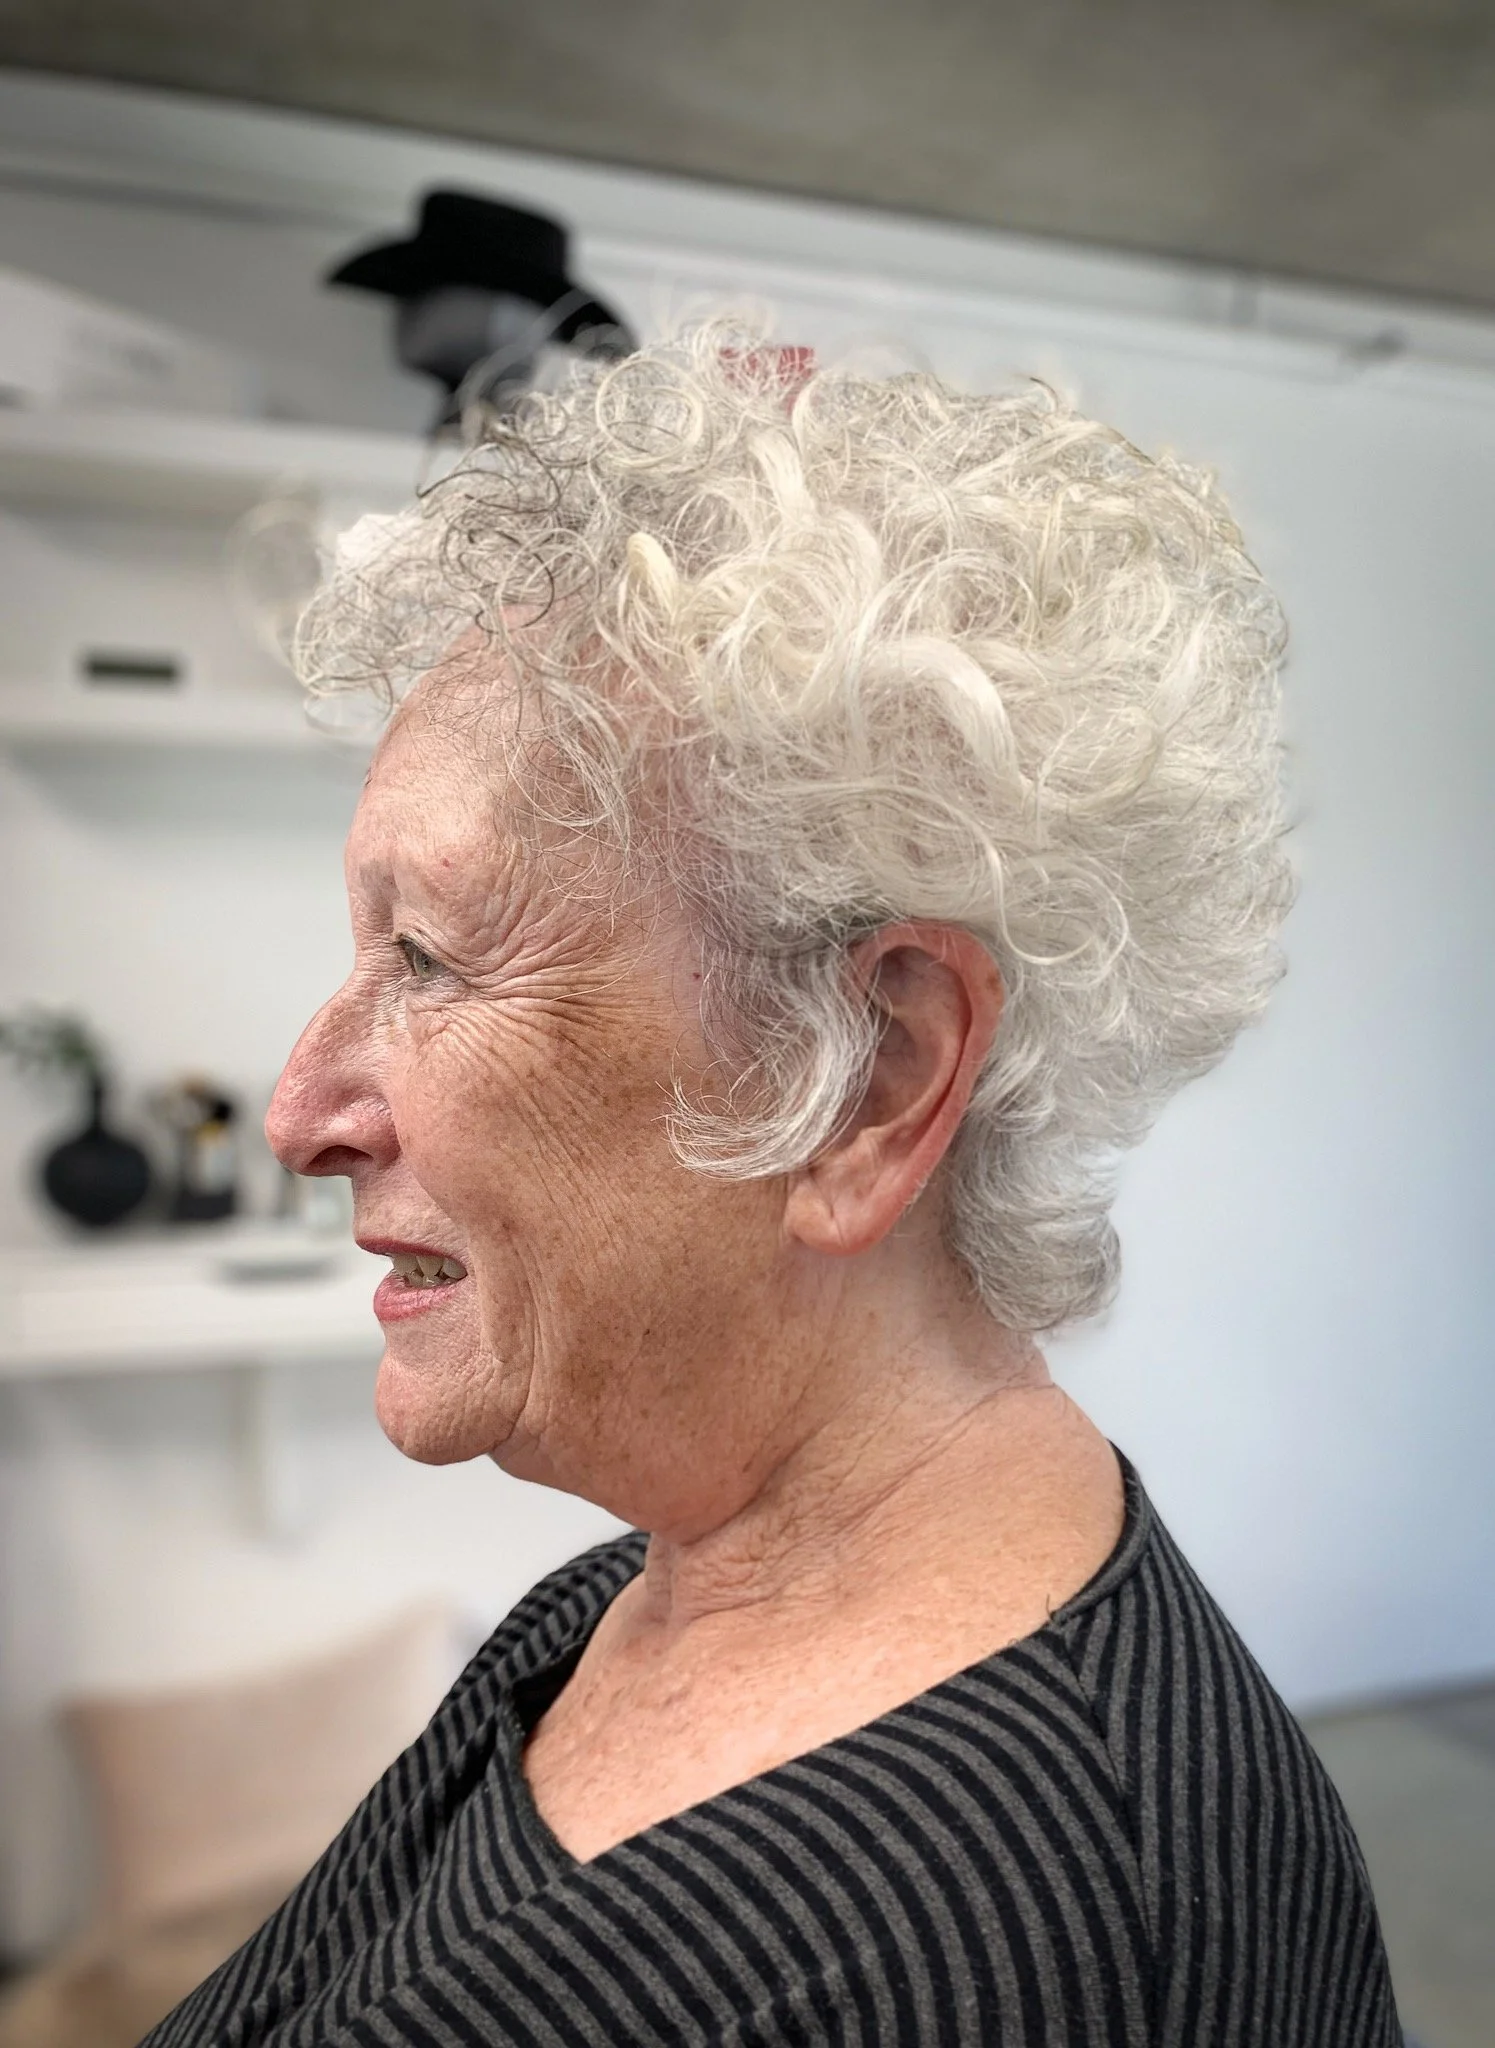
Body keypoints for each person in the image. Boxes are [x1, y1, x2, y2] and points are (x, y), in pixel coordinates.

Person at [147, 323, 1401, 2046]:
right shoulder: (632, 1598)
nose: (301, 1115)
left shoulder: (1005, 1957)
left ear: (866, 1076)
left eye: (429, 958)